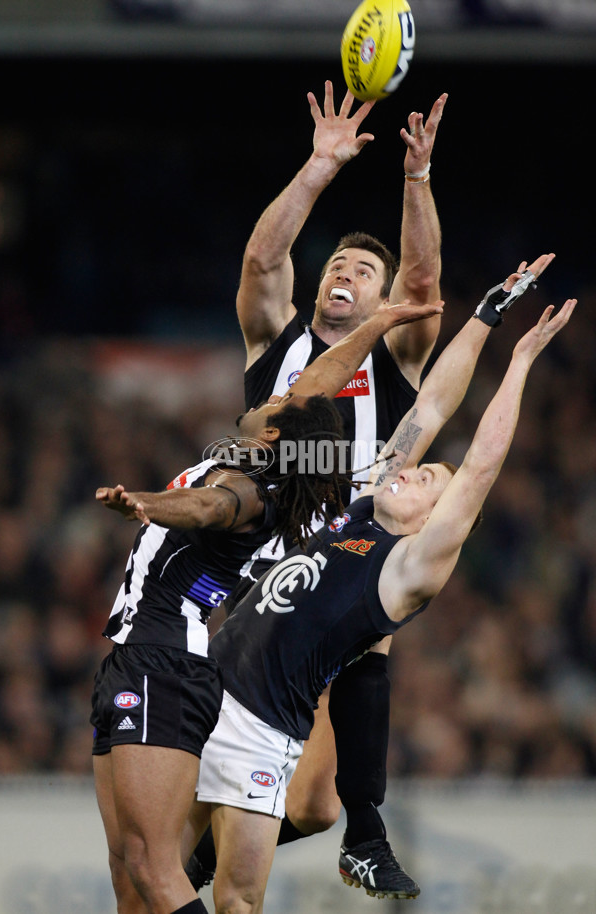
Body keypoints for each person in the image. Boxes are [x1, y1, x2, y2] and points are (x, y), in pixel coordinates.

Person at [182, 265, 576, 914]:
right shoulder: (367, 506)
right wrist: (487, 317)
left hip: (261, 720)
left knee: (232, 900)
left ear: (435, 520)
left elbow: (479, 467)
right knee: (150, 875)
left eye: (427, 483)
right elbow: (431, 407)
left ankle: (357, 831)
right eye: (418, 470)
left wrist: (523, 361)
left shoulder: (408, 565)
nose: (412, 473)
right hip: (213, 683)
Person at [90, 298, 441, 914]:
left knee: (154, 868)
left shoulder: (250, 487)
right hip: (141, 653)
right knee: (131, 877)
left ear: (276, 434)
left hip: (165, 655)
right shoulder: (270, 459)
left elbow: (205, 510)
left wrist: (142, 503)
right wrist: (379, 324)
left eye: (276, 406)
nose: (269, 399)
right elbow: (318, 386)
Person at [187, 78, 448, 896]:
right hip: (263, 573)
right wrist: (319, 165)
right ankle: (363, 833)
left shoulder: (392, 357)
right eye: (338, 262)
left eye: (364, 270)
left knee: (314, 806)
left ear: (380, 298)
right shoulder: (276, 342)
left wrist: (415, 180)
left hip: (342, 560)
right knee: (369, 641)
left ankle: (189, 872)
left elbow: (423, 279)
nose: (347, 272)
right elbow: (265, 261)